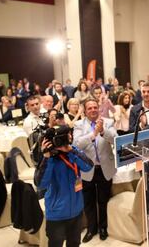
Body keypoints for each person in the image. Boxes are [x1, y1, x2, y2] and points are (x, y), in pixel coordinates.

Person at [35, 125, 94, 247]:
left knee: (74, 243)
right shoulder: (48, 158)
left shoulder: (73, 151)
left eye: (69, 135)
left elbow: (88, 166)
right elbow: (40, 184)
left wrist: (70, 151)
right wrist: (47, 157)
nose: (69, 138)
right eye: (65, 137)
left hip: (76, 211)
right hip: (57, 214)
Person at [73, 98, 117, 243]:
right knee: (89, 201)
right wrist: (93, 134)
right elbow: (77, 144)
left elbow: (115, 139)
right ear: (85, 111)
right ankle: (92, 229)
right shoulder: (79, 124)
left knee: (103, 200)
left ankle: (103, 227)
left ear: (98, 108)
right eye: (89, 108)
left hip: (105, 167)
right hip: (87, 168)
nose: (93, 110)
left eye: (95, 107)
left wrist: (103, 131)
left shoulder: (108, 122)